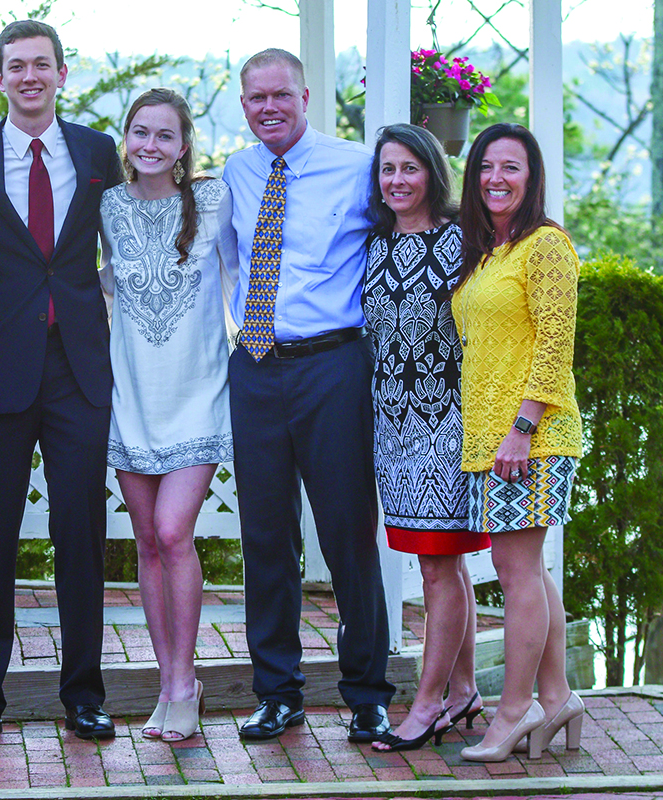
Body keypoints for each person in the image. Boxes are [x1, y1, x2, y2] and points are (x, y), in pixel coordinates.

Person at [0, 19, 124, 743]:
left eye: (41, 65)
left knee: (82, 533)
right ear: (0, 77)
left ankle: (84, 693)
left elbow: (130, 241)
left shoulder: (99, 153)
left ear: (62, 73)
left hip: (79, 367)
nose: (29, 77)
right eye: (16, 66)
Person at [222, 48, 395, 743]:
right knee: (265, 536)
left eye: (281, 96)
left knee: (349, 533)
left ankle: (367, 694)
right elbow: (225, 263)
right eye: (256, 98)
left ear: (306, 95)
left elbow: (409, 231)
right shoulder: (237, 171)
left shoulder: (359, 167)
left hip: (333, 365)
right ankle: (277, 693)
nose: (269, 108)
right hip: (256, 364)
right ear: (244, 105)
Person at [98, 88, 235, 742]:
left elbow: (255, 264)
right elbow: (91, 277)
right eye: (139, 133)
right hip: (130, 397)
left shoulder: (212, 200)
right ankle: (169, 683)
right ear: (126, 139)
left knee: (175, 532)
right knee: (147, 541)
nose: (149, 145)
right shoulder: (107, 206)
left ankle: (185, 682)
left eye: (163, 135)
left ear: (183, 147)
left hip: (198, 391)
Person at [454, 123, 584, 763]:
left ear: (531, 179)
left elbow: (555, 348)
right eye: (486, 166)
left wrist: (523, 428)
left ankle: (514, 710)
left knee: (515, 572)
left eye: (512, 167)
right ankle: (556, 695)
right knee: (526, 569)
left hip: (530, 436)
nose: (496, 178)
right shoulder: (489, 252)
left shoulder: (545, 247)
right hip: (490, 438)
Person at [361, 124, 491, 753]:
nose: (397, 181)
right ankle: (463, 690)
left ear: (432, 173)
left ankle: (427, 703)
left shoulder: (463, 241)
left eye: (409, 168)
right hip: (391, 427)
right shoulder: (373, 242)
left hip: (446, 425)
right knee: (443, 563)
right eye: (387, 170)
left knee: (440, 568)